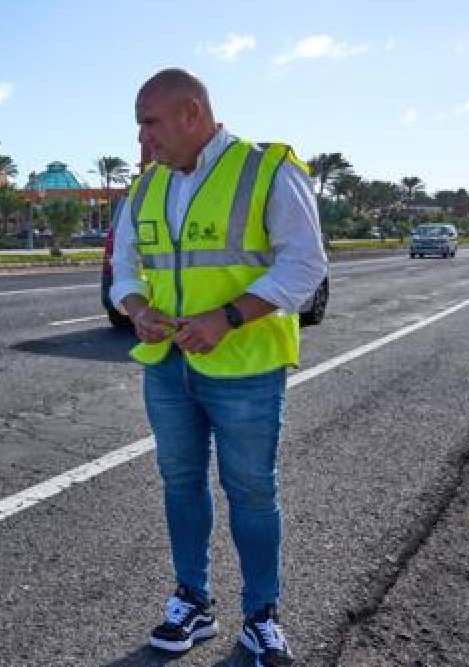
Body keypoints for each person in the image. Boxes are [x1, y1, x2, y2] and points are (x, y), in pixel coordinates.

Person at [110, 68, 327, 666]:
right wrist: (138, 310)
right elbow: (125, 268)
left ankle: (261, 617)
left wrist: (227, 317)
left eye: (150, 123)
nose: (142, 138)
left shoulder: (266, 169)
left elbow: (306, 264)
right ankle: (193, 601)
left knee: (251, 491)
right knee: (180, 482)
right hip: (168, 366)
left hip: (246, 368)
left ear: (192, 113)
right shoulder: (145, 187)